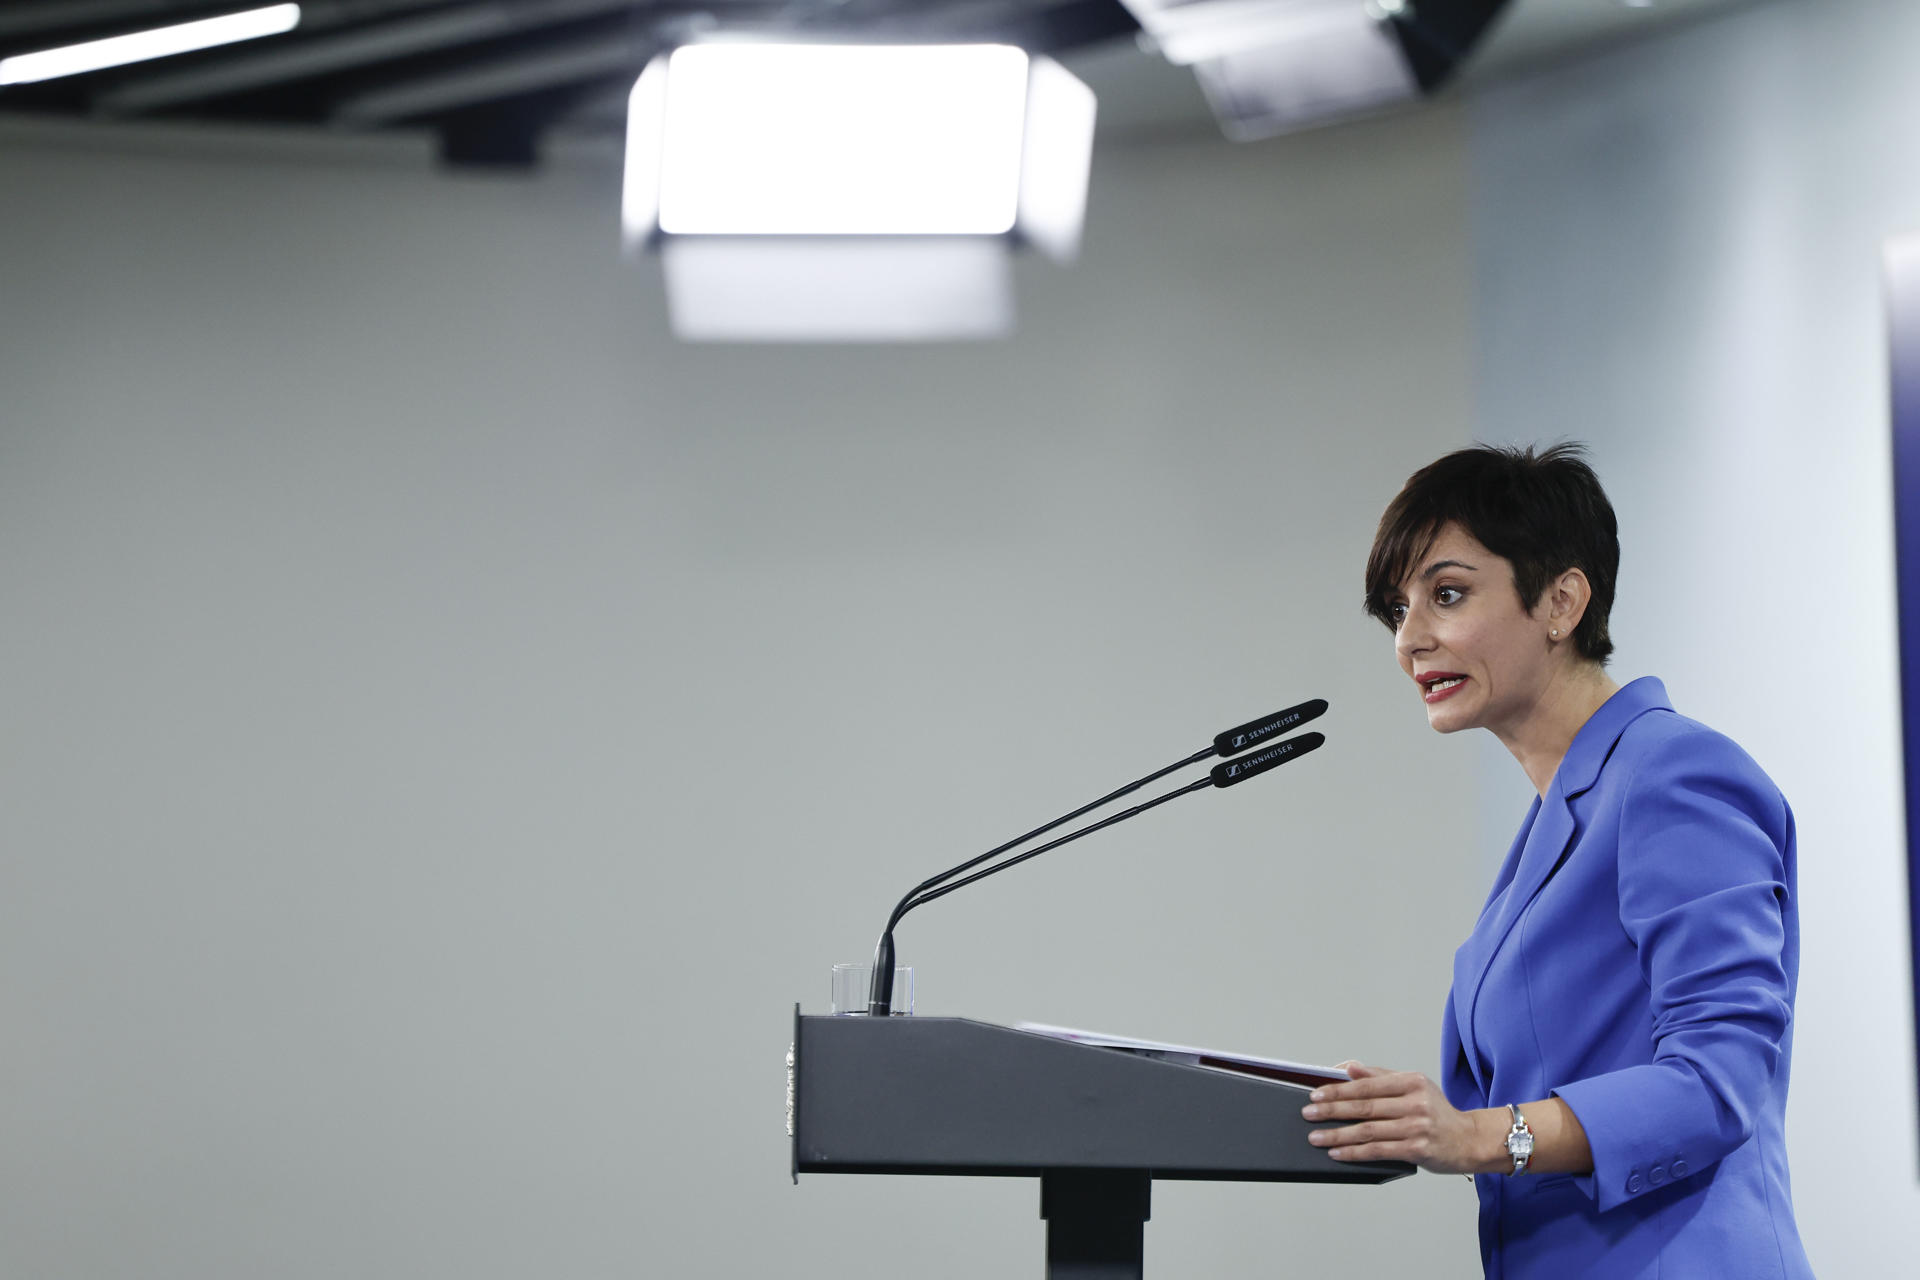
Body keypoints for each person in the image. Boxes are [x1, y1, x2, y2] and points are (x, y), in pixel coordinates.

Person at [1301, 443, 1814, 1278]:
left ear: (1562, 601)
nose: (1410, 640)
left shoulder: (1673, 775)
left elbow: (1720, 1079)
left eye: (1448, 594)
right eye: (1398, 610)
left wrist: (1472, 1134)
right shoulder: (1560, 818)